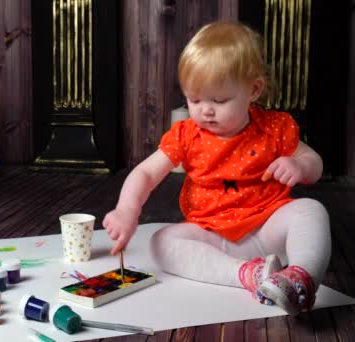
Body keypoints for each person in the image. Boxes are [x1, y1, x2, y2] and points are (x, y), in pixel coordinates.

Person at [103, 21, 330, 316]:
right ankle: (251, 275)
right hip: (212, 236)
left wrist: (300, 164)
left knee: (311, 211)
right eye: (194, 99)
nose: (205, 110)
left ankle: (300, 278)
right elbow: (146, 173)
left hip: (269, 227)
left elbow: (315, 164)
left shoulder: (274, 127)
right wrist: (126, 210)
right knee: (161, 242)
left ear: (253, 90)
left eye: (219, 100)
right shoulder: (186, 134)